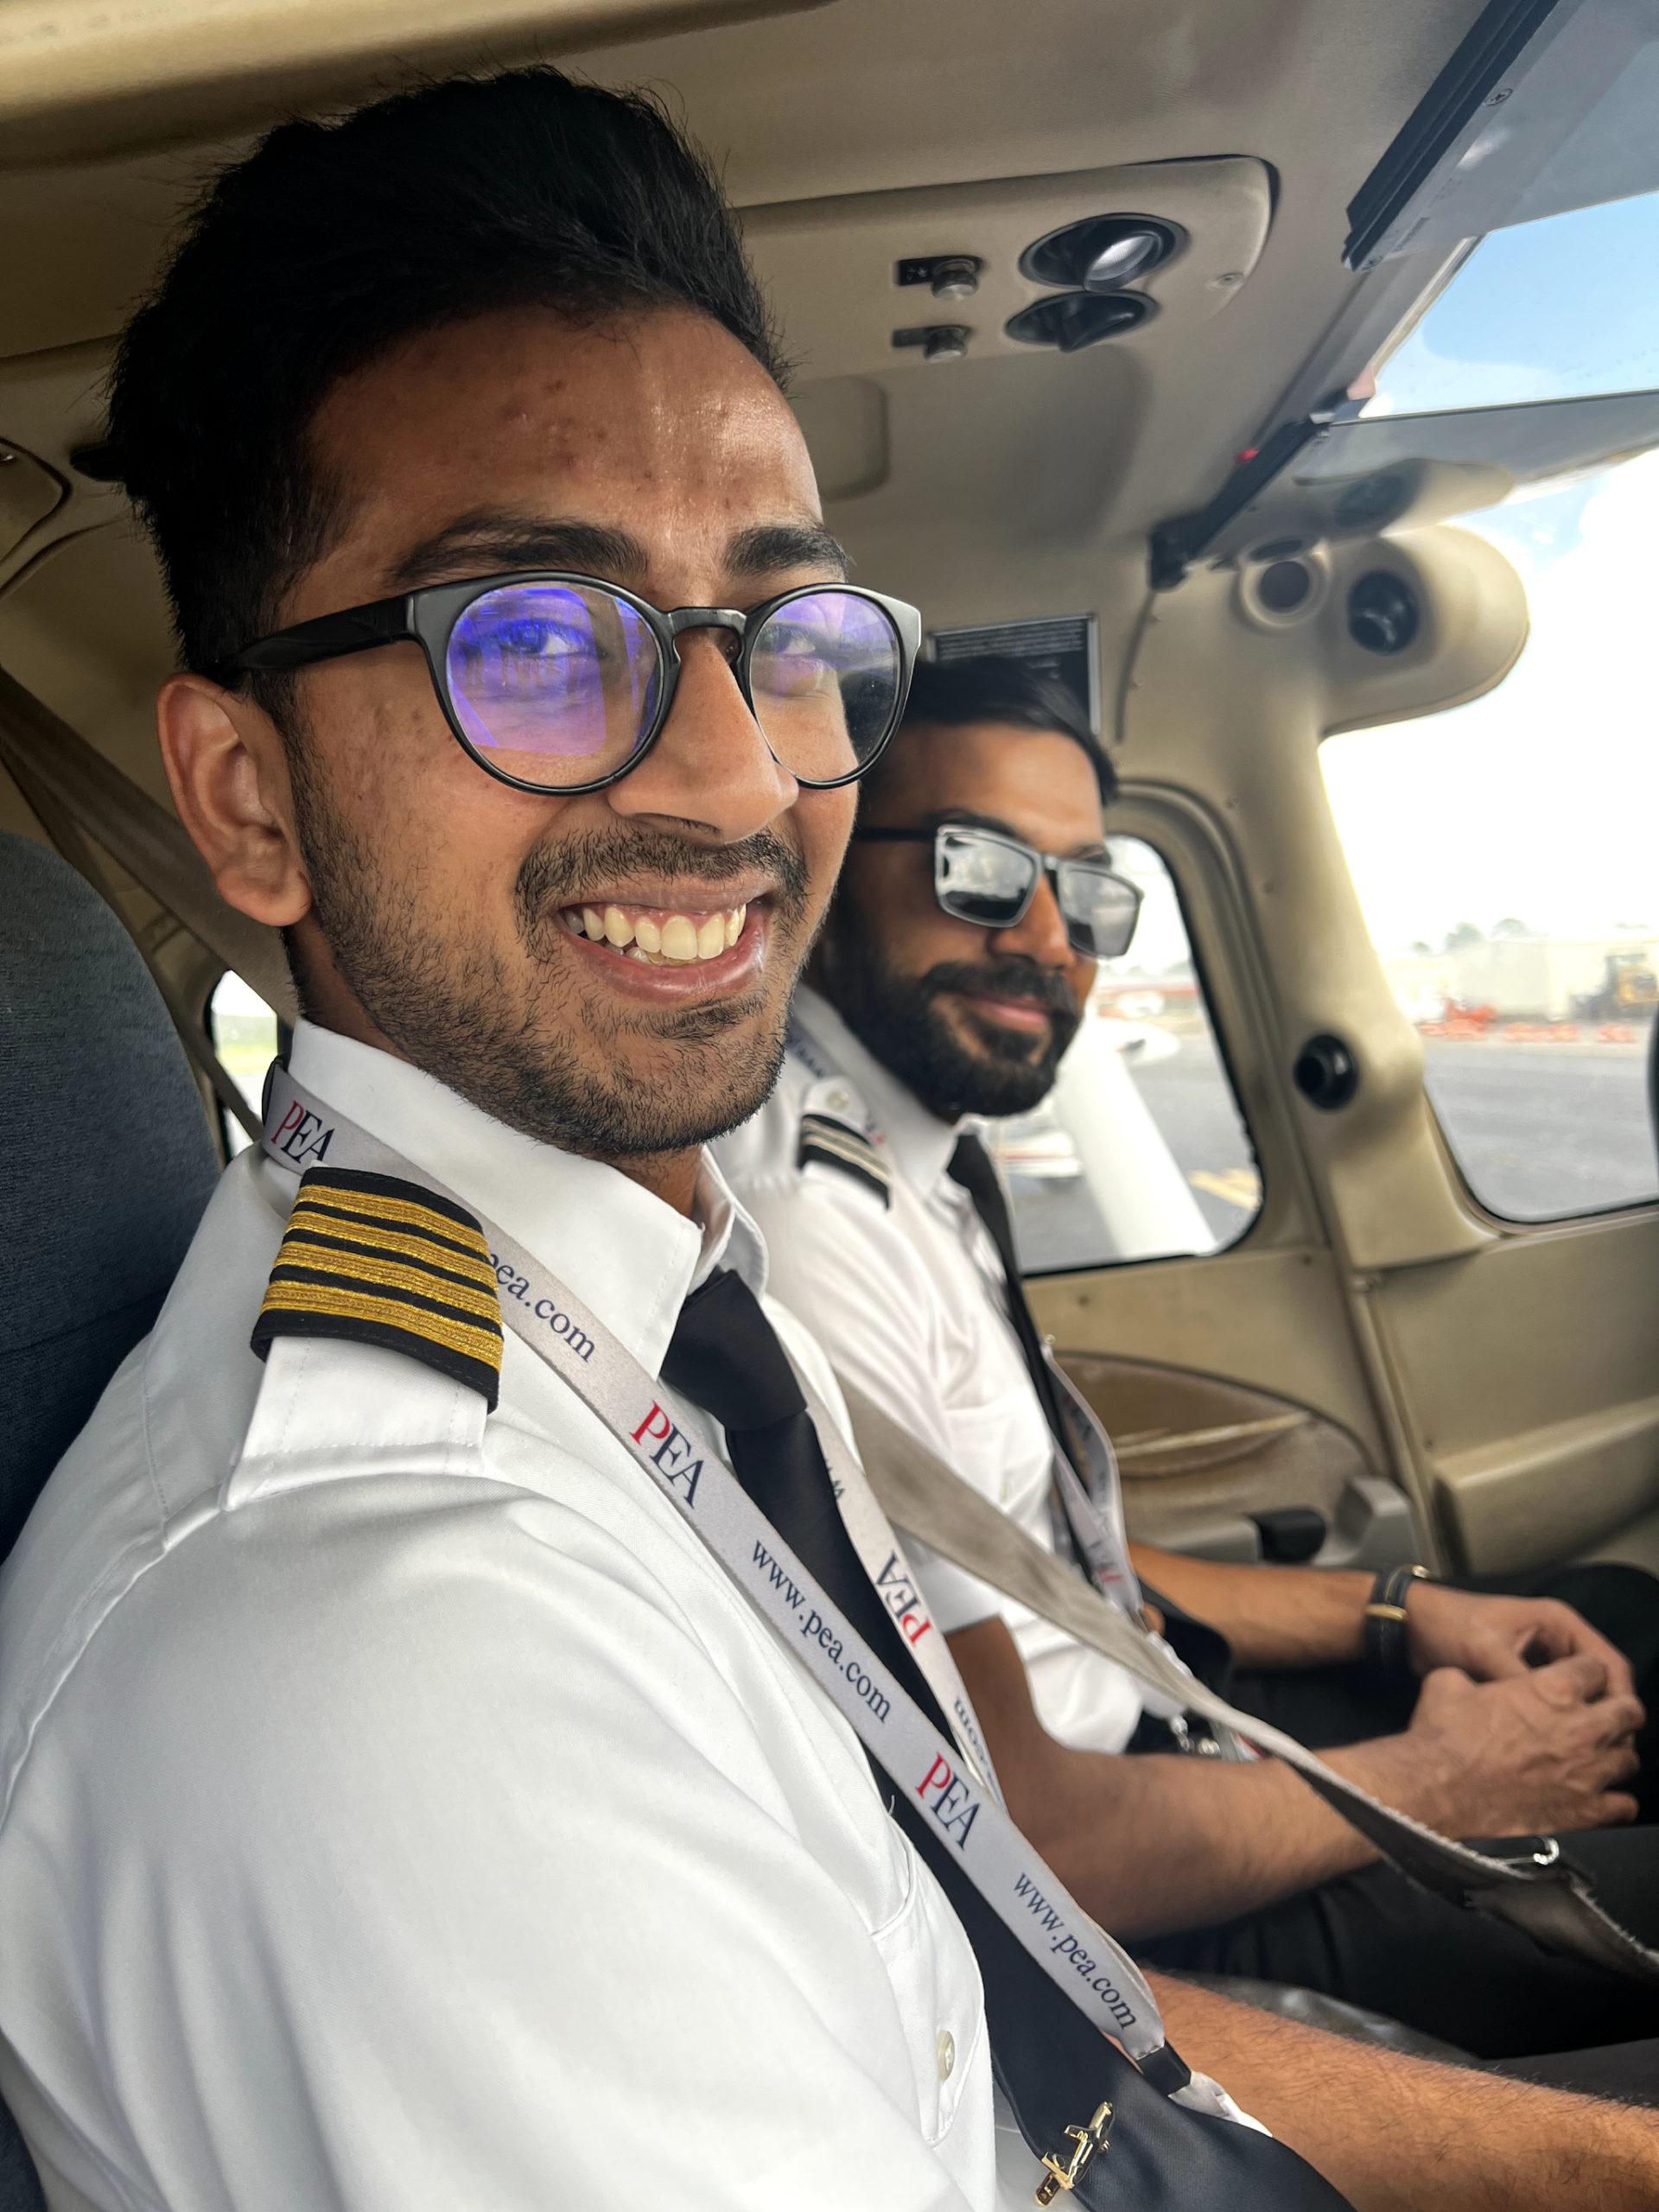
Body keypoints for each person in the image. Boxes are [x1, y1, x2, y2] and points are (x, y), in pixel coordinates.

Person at [0, 68, 1655, 2212]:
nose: (726, 770)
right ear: (246, 798)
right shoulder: (389, 1666)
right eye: (524, 635)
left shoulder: (653, 1314)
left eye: (784, 637)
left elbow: (984, 2006)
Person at [717, 651, 1659, 2075]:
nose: (1050, 938)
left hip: (1159, 1731)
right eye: (981, 867)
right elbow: (1032, 1836)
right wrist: (1441, 1781)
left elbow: (1056, 1567)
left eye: (1091, 891)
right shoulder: (813, 1229)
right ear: (835, 859)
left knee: (1619, 1620)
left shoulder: (913, 1155)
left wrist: (1400, 1613)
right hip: (1131, 1900)